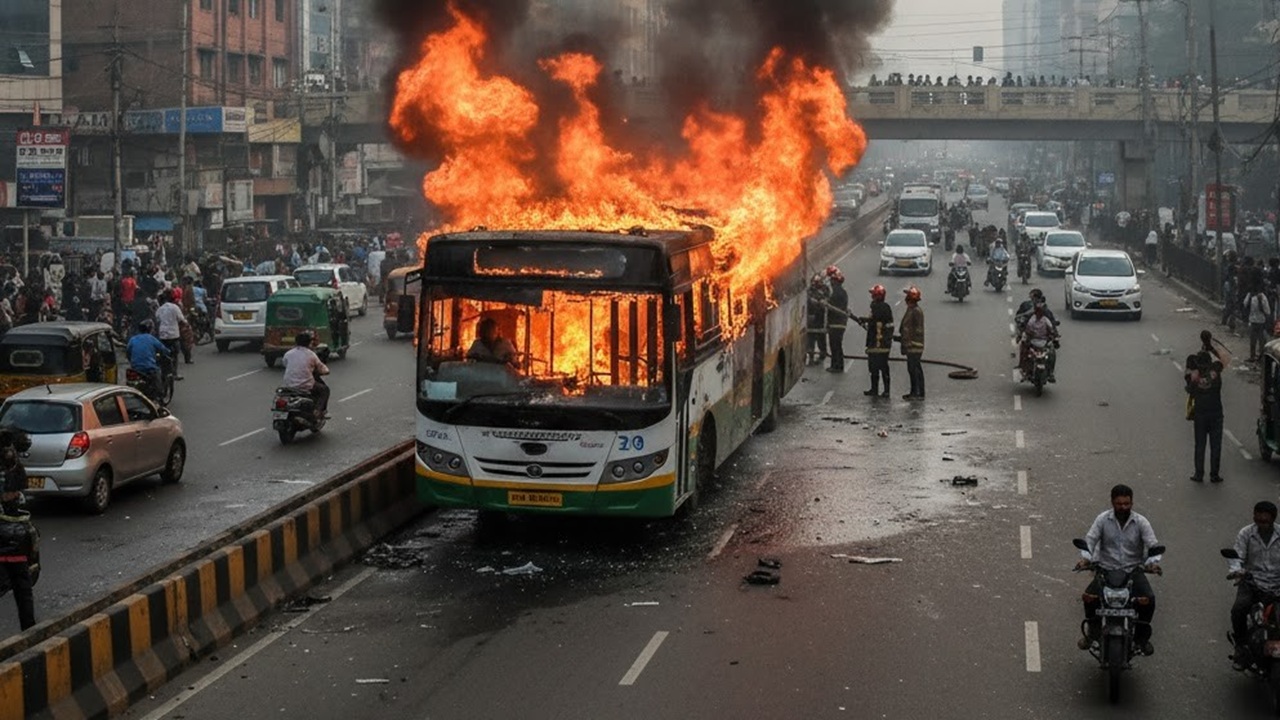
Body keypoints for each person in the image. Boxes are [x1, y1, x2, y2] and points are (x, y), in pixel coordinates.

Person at [1076, 483, 1162, 655]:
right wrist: (1086, 559)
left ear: (1132, 503)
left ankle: (1141, 639)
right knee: (1089, 598)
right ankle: (1092, 634)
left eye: (1126, 504)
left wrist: (1152, 563)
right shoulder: (1102, 520)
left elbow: (1152, 545)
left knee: (1149, 600)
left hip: (1132, 571)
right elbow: (1090, 540)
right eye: (1119, 504)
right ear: (1112, 502)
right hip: (1105, 570)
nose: (1123, 507)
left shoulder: (1141, 522)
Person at [1226, 500, 1280, 669]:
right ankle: (1241, 646)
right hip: (1253, 582)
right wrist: (1237, 570)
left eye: (1266, 521)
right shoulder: (1246, 533)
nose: (1261, 525)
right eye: (1258, 521)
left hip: (1277, 584)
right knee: (1238, 609)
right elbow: (1237, 557)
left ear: (1273, 520)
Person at [0, 432, 36, 630]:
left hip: (9, 537)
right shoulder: (16, 471)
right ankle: (29, 631)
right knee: (23, 588)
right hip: (16, 539)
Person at [1186, 350, 1225, 483]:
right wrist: (1210, 347)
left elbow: (1189, 390)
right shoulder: (1216, 375)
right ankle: (1214, 474)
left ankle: (1199, 474)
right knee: (1216, 446)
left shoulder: (1195, 377)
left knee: (1200, 445)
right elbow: (1221, 362)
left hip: (1200, 414)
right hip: (1216, 414)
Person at [282, 332, 331, 417]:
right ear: (309, 343)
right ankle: (318, 411)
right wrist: (326, 371)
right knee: (324, 390)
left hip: (288, 384)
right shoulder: (311, 355)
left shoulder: (288, 353)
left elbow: (285, 363)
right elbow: (322, 368)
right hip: (305, 385)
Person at [858, 284, 894, 397]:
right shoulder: (879, 307)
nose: (872, 296)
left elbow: (875, 321)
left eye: (873, 294)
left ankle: (885, 390)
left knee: (882, 367)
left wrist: (865, 320)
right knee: (874, 367)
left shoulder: (881, 307)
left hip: (880, 344)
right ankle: (875, 389)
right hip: (877, 343)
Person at [127, 320, 171, 398]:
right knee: (157, 377)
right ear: (150, 329)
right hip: (149, 368)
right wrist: (169, 352)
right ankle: (159, 396)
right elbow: (163, 349)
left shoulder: (133, 339)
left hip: (135, 368)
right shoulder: (151, 338)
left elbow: (128, 352)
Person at [1019, 302, 1059, 382]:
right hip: (1033, 342)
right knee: (1024, 351)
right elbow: (1027, 330)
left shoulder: (1045, 320)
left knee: (1052, 354)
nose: (1039, 313)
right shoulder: (1031, 320)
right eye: (1038, 311)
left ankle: (1051, 372)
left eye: (1041, 311)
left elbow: (1051, 329)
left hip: (1043, 342)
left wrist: (1054, 336)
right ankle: (1025, 370)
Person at [899, 286, 925, 400]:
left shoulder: (916, 311)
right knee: (913, 369)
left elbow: (915, 330)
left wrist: (907, 340)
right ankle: (915, 391)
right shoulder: (911, 310)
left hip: (914, 345)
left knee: (914, 369)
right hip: (911, 344)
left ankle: (918, 392)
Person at [154, 290, 188, 373]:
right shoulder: (175, 307)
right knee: (175, 355)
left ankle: (164, 371)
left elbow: (157, 320)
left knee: (163, 354)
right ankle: (175, 373)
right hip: (174, 335)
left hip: (163, 335)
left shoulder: (160, 309)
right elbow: (182, 320)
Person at [824, 267, 849, 373]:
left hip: (836, 323)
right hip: (839, 323)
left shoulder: (837, 293)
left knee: (835, 345)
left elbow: (834, 308)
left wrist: (826, 304)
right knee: (837, 345)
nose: (831, 283)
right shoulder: (842, 292)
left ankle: (837, 366)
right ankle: (838, 365)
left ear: (835, 282)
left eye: (832, 281)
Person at [805, 274, 829, 366]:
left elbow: (827, 299)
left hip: (821, 318)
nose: (815, 284)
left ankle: (822, 354)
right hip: (811, 318)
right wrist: (811, 300)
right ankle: (810, 357)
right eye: (814, 283)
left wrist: (822, 301)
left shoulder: (824, 290)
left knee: (821, 338)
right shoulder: (810, 291)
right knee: (810, 339)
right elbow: (806, 298)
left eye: (817, 283)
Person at [1246, 285, 1272, 362]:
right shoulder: (1263, 297)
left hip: (1252, 321)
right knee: (1262, 341)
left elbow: (1245, 304)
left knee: (1252, 341)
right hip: (1261, 322)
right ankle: (1261, 357)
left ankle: (1252, 356)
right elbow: (1268, 311)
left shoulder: (1250, 295)